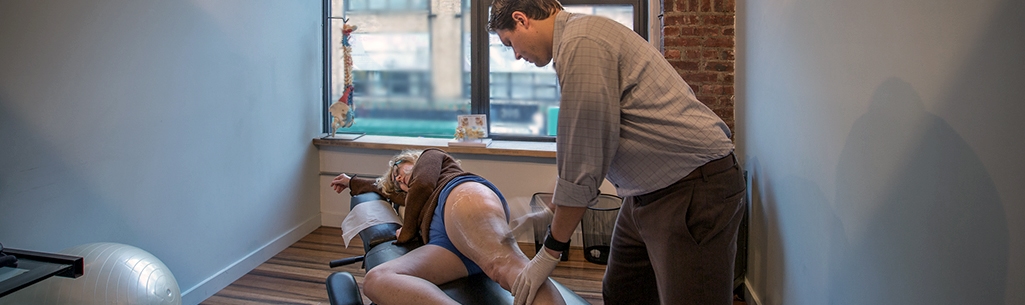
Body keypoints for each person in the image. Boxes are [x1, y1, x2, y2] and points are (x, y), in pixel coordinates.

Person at [488, 1, 747, 304]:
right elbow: (582, 149)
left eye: (510, 44)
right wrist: (552, 206)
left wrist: (548, 253)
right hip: (645, 193)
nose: (517, 55)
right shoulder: (578, 39)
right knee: (625, 290)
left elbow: (585, 159)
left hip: (693, 188)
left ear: (521, 20)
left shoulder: (581, 43)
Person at [330, 148, 566, 305]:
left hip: (459, 197)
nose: (399, 179)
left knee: (505, 266)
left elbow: (422, 184)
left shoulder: (431, 158)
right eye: (396, 181)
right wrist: (352, 181)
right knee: (376, 280)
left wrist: (408, 233)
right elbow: (381, 187)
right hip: (446, 244)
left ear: (413, 159)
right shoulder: (412, 198)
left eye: (399, 170)